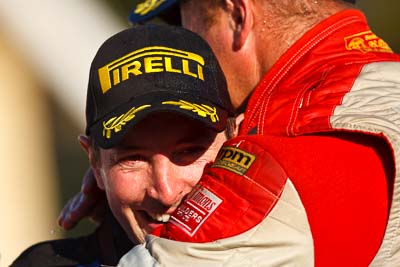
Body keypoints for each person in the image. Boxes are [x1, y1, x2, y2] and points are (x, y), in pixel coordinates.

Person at [62, 0, 400, 266]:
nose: (164, 190)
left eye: (183, 25)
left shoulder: (308, 144)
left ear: (236, 16)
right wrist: (120, 170)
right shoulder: (377, 92)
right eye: (133, 157)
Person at [12, 24, 313, 266]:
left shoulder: (303, 245)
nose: (165, 192)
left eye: (188, 152)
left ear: (236, 138)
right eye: (132, 159)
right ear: (95, 163)